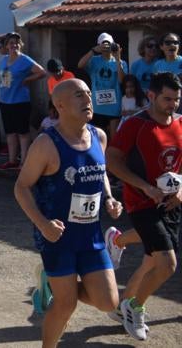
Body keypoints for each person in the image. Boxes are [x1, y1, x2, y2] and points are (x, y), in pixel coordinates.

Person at [13, 78, 122, 348]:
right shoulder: (46, 144)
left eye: (88, 93)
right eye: (78, 95)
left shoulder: (99, 136)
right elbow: (21, 187)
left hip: (90, 235)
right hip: (56, 237)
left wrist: (109, 198)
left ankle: (52, 283)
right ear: (59, 105)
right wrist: (43, 225)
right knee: (66, 304)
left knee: (109, 301)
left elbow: (100, 172)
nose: (87, 99)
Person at [105, 72, 182, 341]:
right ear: (151, 95)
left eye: (176, 99)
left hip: (171, 204)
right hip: (141, 203)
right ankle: (134, 306)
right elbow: (112, 161)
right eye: (167, 99)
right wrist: (145, 187)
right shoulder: (135, 125)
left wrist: (181, 191)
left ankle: (121, 304)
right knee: (167, 264)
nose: (172, 104)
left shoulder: (181, 123)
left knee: (152, 261)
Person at [0, 32, 46, 169]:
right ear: (6, 46)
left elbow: (42, 72)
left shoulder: (25, 60)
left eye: (17, 42)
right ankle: (12, 161)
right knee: (10, 133)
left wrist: (27, 79)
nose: (14, 45)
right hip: (5, 102)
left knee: (23, 133)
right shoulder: (4, 60)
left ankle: (23, 162)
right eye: (11, 43)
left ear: (20, 45)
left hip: (20, 102)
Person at [77, 33, 127, 134]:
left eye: (108, 44)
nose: (106, 46)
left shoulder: (121, 62)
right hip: (97, 108)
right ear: (99, 45)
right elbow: (80, 65)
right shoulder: (93, 61)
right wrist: (93, 51)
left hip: (114, 107)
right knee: (98, 137)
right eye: (103, 44)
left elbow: (122, 80)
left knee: (114, 138)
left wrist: (117, 59)